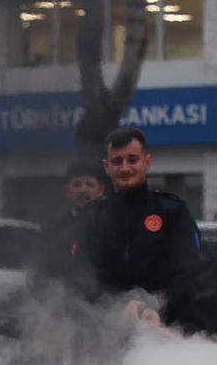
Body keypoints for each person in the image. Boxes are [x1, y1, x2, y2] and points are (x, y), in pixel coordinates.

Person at [72, 127, 202, 323]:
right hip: (105, 330)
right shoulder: (92, 216)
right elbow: (82, 276)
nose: (125, 168)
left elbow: (188, 274)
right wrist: (118, 305)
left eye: (132, 160)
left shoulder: (172, 211)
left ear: (146, 162)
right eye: (117, 161)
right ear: (106, 167)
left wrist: (158, 306)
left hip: (166, 330)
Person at [29, 159, 107, 284]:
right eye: (77, 184)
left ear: (101, 190)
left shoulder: (113, 226)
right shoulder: (52, 229)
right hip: (62, 297)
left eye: (90, 184)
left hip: (107, 300)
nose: (83, 190)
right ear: (67, 191)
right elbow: (39, 268)